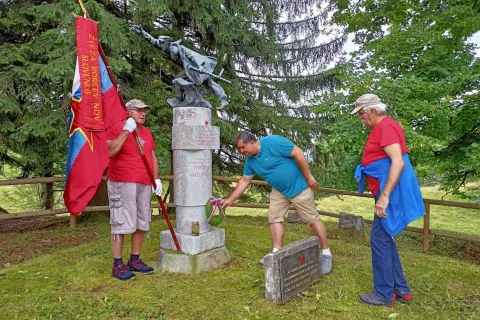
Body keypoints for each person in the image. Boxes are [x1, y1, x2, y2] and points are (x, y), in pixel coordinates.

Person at [222, 131, 333, 275]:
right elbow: (244, 180)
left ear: (252, 141)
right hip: (280, 191)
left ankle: (326, 253)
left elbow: (298, 153)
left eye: (243, 148)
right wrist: (231, 199)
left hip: (299, 187)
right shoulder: (250, 161)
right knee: (274, 218)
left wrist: (309, 177)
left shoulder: (274, 142)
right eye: (239, 149)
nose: (241, 151)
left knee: (312, 219)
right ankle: (277, 253)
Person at [352, 94, 425, 306]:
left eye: (361, 113)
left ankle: (383, 294)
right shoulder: (385, 127)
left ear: (372, 111)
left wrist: (384, 197)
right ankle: (401, 290)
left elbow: (398, 162)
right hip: (386, 191)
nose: (360, 118)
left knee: (380, 240)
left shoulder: (386, 127)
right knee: (385, 238)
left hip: (390, 193)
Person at [106, 99, 163, 281]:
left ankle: (134, 260)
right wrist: (126, 131)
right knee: (121, 222)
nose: (143, 114)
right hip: (122, 181)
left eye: (144, 110)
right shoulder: (116, 128)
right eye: (138, 110)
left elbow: (152, 156)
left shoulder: (146, 132)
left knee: (142, 221)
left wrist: (156, 178)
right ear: (128, 112)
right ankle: (118, 264)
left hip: (144, 182)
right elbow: (110, 151)